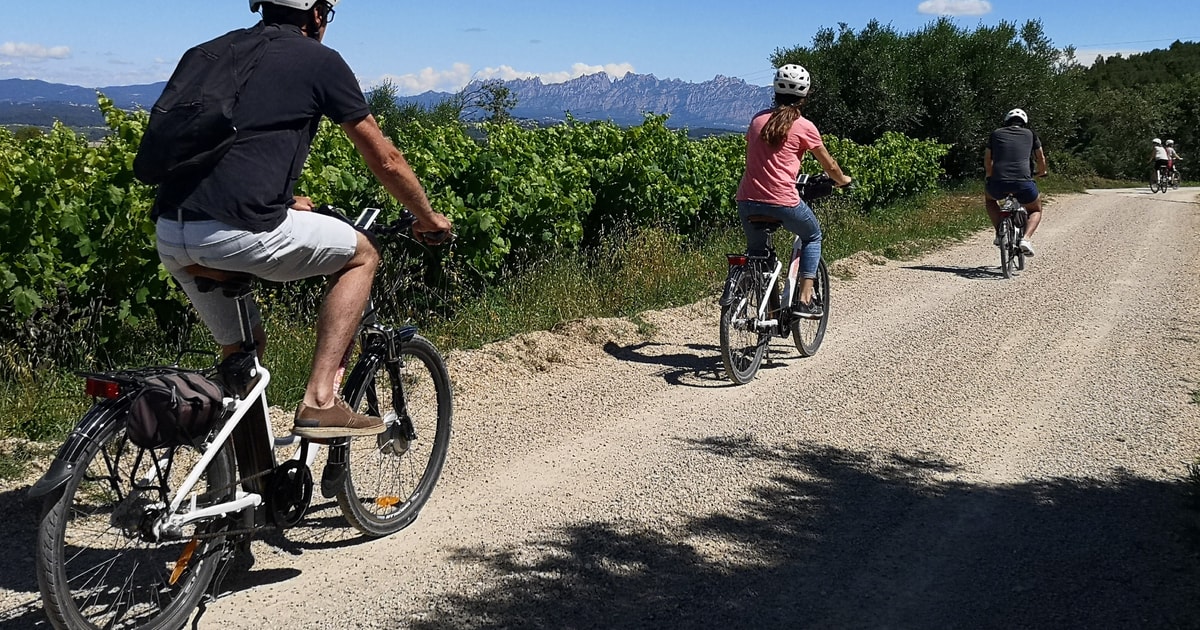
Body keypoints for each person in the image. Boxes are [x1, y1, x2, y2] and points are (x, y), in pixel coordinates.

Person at [151, 0, 452, 439]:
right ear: (314, 14)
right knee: (363, 254)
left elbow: (222, 141)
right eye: (326, 12)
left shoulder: (207, 52)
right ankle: (320, 403)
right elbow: (385, 158)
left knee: (244, 353)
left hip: (173, 229)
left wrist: (281, 198)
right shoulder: (320, 61)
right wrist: (427, 217)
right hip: (240, 232)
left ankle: (240, 489)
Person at [734, 64, 851, 318]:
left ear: (775, 91)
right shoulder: (805, 126)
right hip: (782, 201)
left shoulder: (756, 120)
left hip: (746, 200)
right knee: (812, 236)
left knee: (757, 254)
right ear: (805, 95)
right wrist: (842, 180)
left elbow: (762, 157)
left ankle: (768, 310)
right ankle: (805, 299)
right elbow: (829, 165)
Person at [984, 108, 1047, 256]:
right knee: (1035, 209)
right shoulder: (1031, 134)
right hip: (1023, 183)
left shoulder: (996, 134)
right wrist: (1042, 172)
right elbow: (1040, 157)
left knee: (990, 200)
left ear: (1006, 122)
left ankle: (1000, 233)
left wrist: (989, 175)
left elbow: (988, 158)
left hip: (998, 182)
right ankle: (1025, 239)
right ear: (1024, 123)